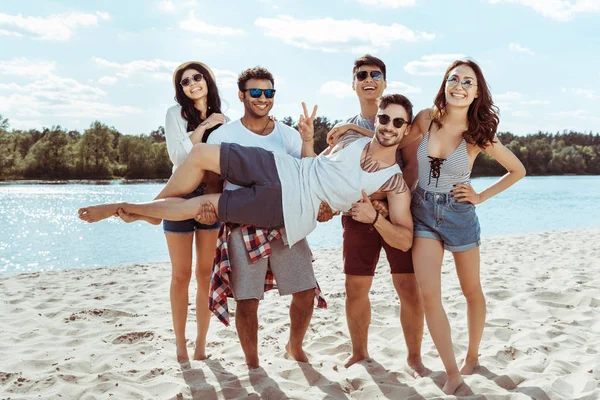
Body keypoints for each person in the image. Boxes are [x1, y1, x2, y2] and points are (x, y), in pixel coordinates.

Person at [78, 93, 415, 286]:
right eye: (384, 118)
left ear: (406, 128)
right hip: (281, 166)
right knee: (200, 154)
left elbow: (405, 238)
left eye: (398, 122)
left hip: (287, 207)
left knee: (204, 204)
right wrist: (344, 128)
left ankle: (129, 206)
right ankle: (151, 209)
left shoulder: (394, 183)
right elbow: (325, 157)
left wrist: (375, 219)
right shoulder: (353, 136)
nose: (388, 126)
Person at [402, 59, 526, 394]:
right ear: (444, 84)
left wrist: (481, 195)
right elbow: (394, 141)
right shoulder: (427, 118)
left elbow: (517, 170)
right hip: (423, 212)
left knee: (472, 291)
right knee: (429, 295)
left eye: (467, 82)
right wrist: (355, 133)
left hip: (459, 214)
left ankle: (472, 356)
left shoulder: (478, 134)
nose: (459, 86)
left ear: (476, 93)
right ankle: (452, 372)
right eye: (453, 79)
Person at [194, 66, 326, 368]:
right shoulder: (224, 134)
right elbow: (213, 184)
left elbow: (310, 176)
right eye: (256, 92)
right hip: (243, 225)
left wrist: (308, 141)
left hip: (285, 221)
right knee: (248, 299)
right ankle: (253, 362)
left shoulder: (289, 135)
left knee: (305, 293)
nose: (263, 98)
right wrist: (208, 213)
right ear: (242, 95)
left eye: (269, 92)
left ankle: (294, 345)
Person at [117, 61, 227, 362]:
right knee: (181, 274)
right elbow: (178, 155)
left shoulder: (225, 119)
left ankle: (201, 344)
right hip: (180, 193)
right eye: (184, 81)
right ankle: (180, 344)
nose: (192, 83)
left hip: (211, 198)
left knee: (206, 275)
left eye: (197, 77)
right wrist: (204, 127)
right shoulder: (175, 114)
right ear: (180, 89)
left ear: (208, 80)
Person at [327, 55, 426, 374]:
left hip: (398, 213)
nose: (369, 79)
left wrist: (389, 201)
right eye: (362, 75)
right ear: (353, 83)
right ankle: (360, 353)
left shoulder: (398, 119)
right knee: (355, 287)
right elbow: (332, 173)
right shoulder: (343, 130)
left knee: (408, 287)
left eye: (376, 74)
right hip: (357, 215)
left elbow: (411, 166)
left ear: (385, 81)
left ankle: (414, 357)